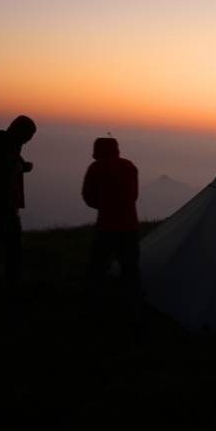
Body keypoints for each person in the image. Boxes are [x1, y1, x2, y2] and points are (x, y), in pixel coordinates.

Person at [81, 136, 141, 326]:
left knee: (96, 268)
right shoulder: (130, 166)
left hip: (105, 227)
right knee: (130, 271)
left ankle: (90, 312)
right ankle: (134, 315)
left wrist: (103, 205)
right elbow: (134, 196)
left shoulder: (96, 168)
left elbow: (88, 196)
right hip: (130, 227)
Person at [0, 115, 36, 289]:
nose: (27, 141)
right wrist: (19, 165)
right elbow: (4, 170)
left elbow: (13, 167)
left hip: (10, 204)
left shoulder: (11, 146)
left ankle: (10, 284)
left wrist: (21, 166)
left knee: (15, 249)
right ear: (19, 130)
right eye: (27, 136)